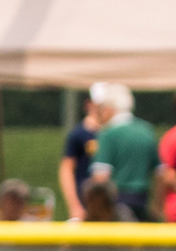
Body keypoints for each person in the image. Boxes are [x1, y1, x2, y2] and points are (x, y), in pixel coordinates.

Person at [92, 83, 158, 221]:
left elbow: (101, 177)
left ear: (109, 109)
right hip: (143, 201)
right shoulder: (147, 130)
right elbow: (160, 174)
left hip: (117, 204)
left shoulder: (108, 134)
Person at [58, 94, 99, 222]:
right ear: (89, 104)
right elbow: (66, 169)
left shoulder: (113, 133)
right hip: (84, 201)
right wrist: (74, 205)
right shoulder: (78, 134)